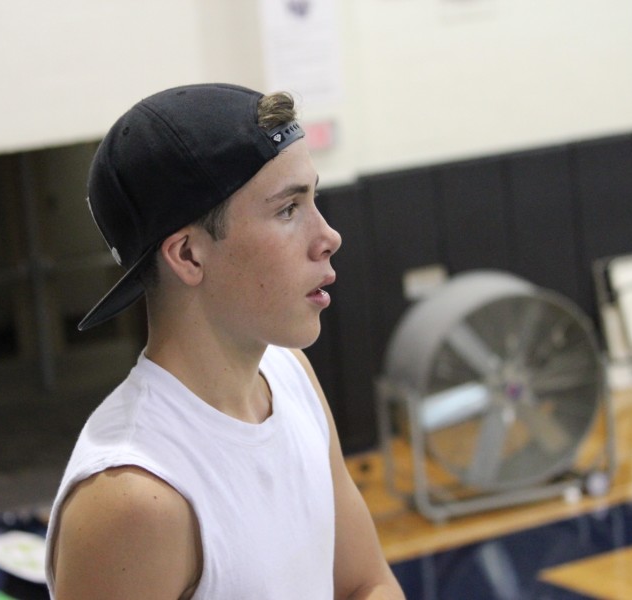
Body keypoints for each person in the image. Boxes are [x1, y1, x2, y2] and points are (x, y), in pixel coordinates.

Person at [44, 83, 404, 599]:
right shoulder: (134, 495)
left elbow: (366, 583)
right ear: (188, 256)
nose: (329, 236)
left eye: (313, 199)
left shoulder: (290, 373)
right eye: (288, 210)